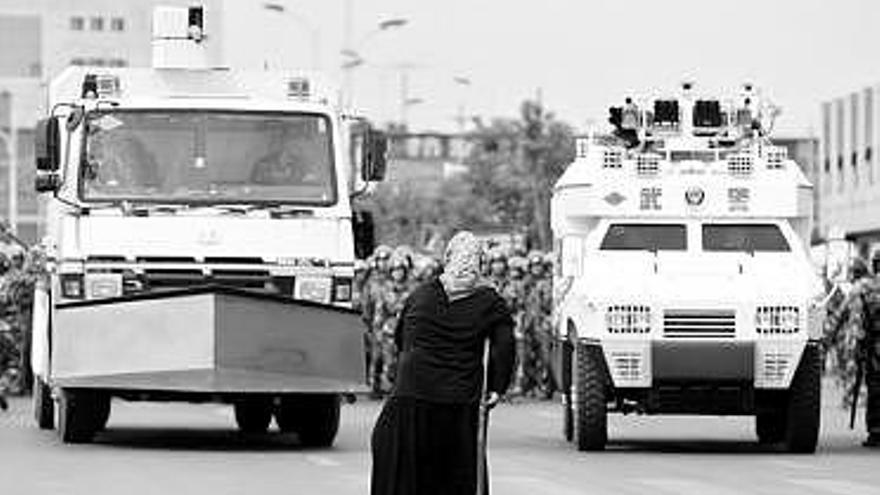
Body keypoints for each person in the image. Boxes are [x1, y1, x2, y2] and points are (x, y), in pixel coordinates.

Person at [371, 231, 515, 495]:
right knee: (452, 476)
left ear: (448, 259)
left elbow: (402, 339)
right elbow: (503, 347)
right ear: (480, 264)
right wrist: (497, 387)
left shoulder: (421, 295)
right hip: (458, 401)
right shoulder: (490, 301)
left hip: (410, 396)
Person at [826, 256, 880, 447]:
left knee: (875, 386)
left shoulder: (863, 288)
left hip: (873, 345)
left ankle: (876, 431)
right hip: (873, 343)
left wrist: (825, 340)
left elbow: (840, 316)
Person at [371, 252, 415, 395]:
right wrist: (377, 331)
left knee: (405, 364)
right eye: (395, 270)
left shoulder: (412, 290)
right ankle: (386, 388)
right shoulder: (384, 290)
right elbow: (379, 312)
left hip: (407, 330)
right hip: (389, 330)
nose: (398, 273)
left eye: (401, 270)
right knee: (388, 363)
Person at [524, 251, 555, 399]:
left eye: (539, 266)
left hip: (542, 325)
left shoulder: (547, 283)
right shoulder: (525, 283)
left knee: (545, 358)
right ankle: (529, 386)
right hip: (527, 324)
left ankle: (545, 387)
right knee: (527, 357)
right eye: (534, 266)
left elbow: (549, 304)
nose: (537, 269)